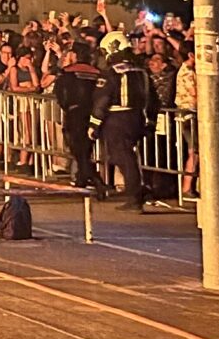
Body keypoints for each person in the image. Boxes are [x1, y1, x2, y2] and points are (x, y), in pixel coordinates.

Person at [93, 33, 151, 208]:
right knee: (129, 155)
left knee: (121, 155)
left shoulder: (111, 73)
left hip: (117, 119)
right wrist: (151, 121)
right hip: (137, 117)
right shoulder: (141, 72)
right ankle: (136, 190)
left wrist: (94, 124)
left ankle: (135, 194)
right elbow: (153, 99)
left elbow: (102, 99)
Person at [52, 45, 100, 192]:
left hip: (74, 112)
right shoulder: (96, 73)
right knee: (86, 147)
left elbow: (60, 93)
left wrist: (66, 106)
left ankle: (94, 178)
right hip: (92, 113)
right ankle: (82, 177)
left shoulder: (67, 73)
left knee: (77, 148)